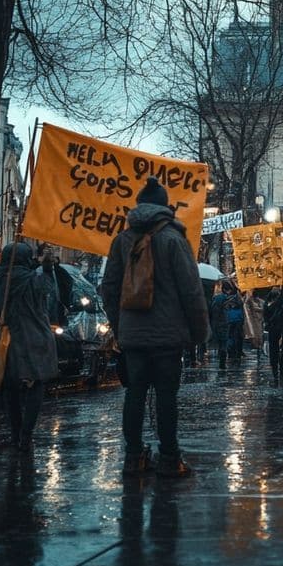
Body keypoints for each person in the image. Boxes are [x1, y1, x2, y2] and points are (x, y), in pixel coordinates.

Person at [101, 177, 209, 478]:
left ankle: (133, 456)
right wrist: (199, 333)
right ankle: (169, 457)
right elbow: (191, 290)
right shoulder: (174, 239)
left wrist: (120, 325)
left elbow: (109, 288)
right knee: (166, 396)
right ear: (165, 207)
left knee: (134, 393)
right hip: (168, 335)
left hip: (133, 335)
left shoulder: (123, 240)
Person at [0, 242, 60, 453]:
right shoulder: (32, 280)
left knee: (10, 387)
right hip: (34, 337)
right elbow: (48, 290)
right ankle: (26, 435)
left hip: (7, 338)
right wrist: (48, 268)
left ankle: (15, 433)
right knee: (36, 384)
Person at [209, 282, 231, 369]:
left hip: (218, 323)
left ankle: (222, 361)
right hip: (223, 323)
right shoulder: (225, 299)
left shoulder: (216, 298)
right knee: (223, 343)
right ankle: (222, 363)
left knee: (221, 343)